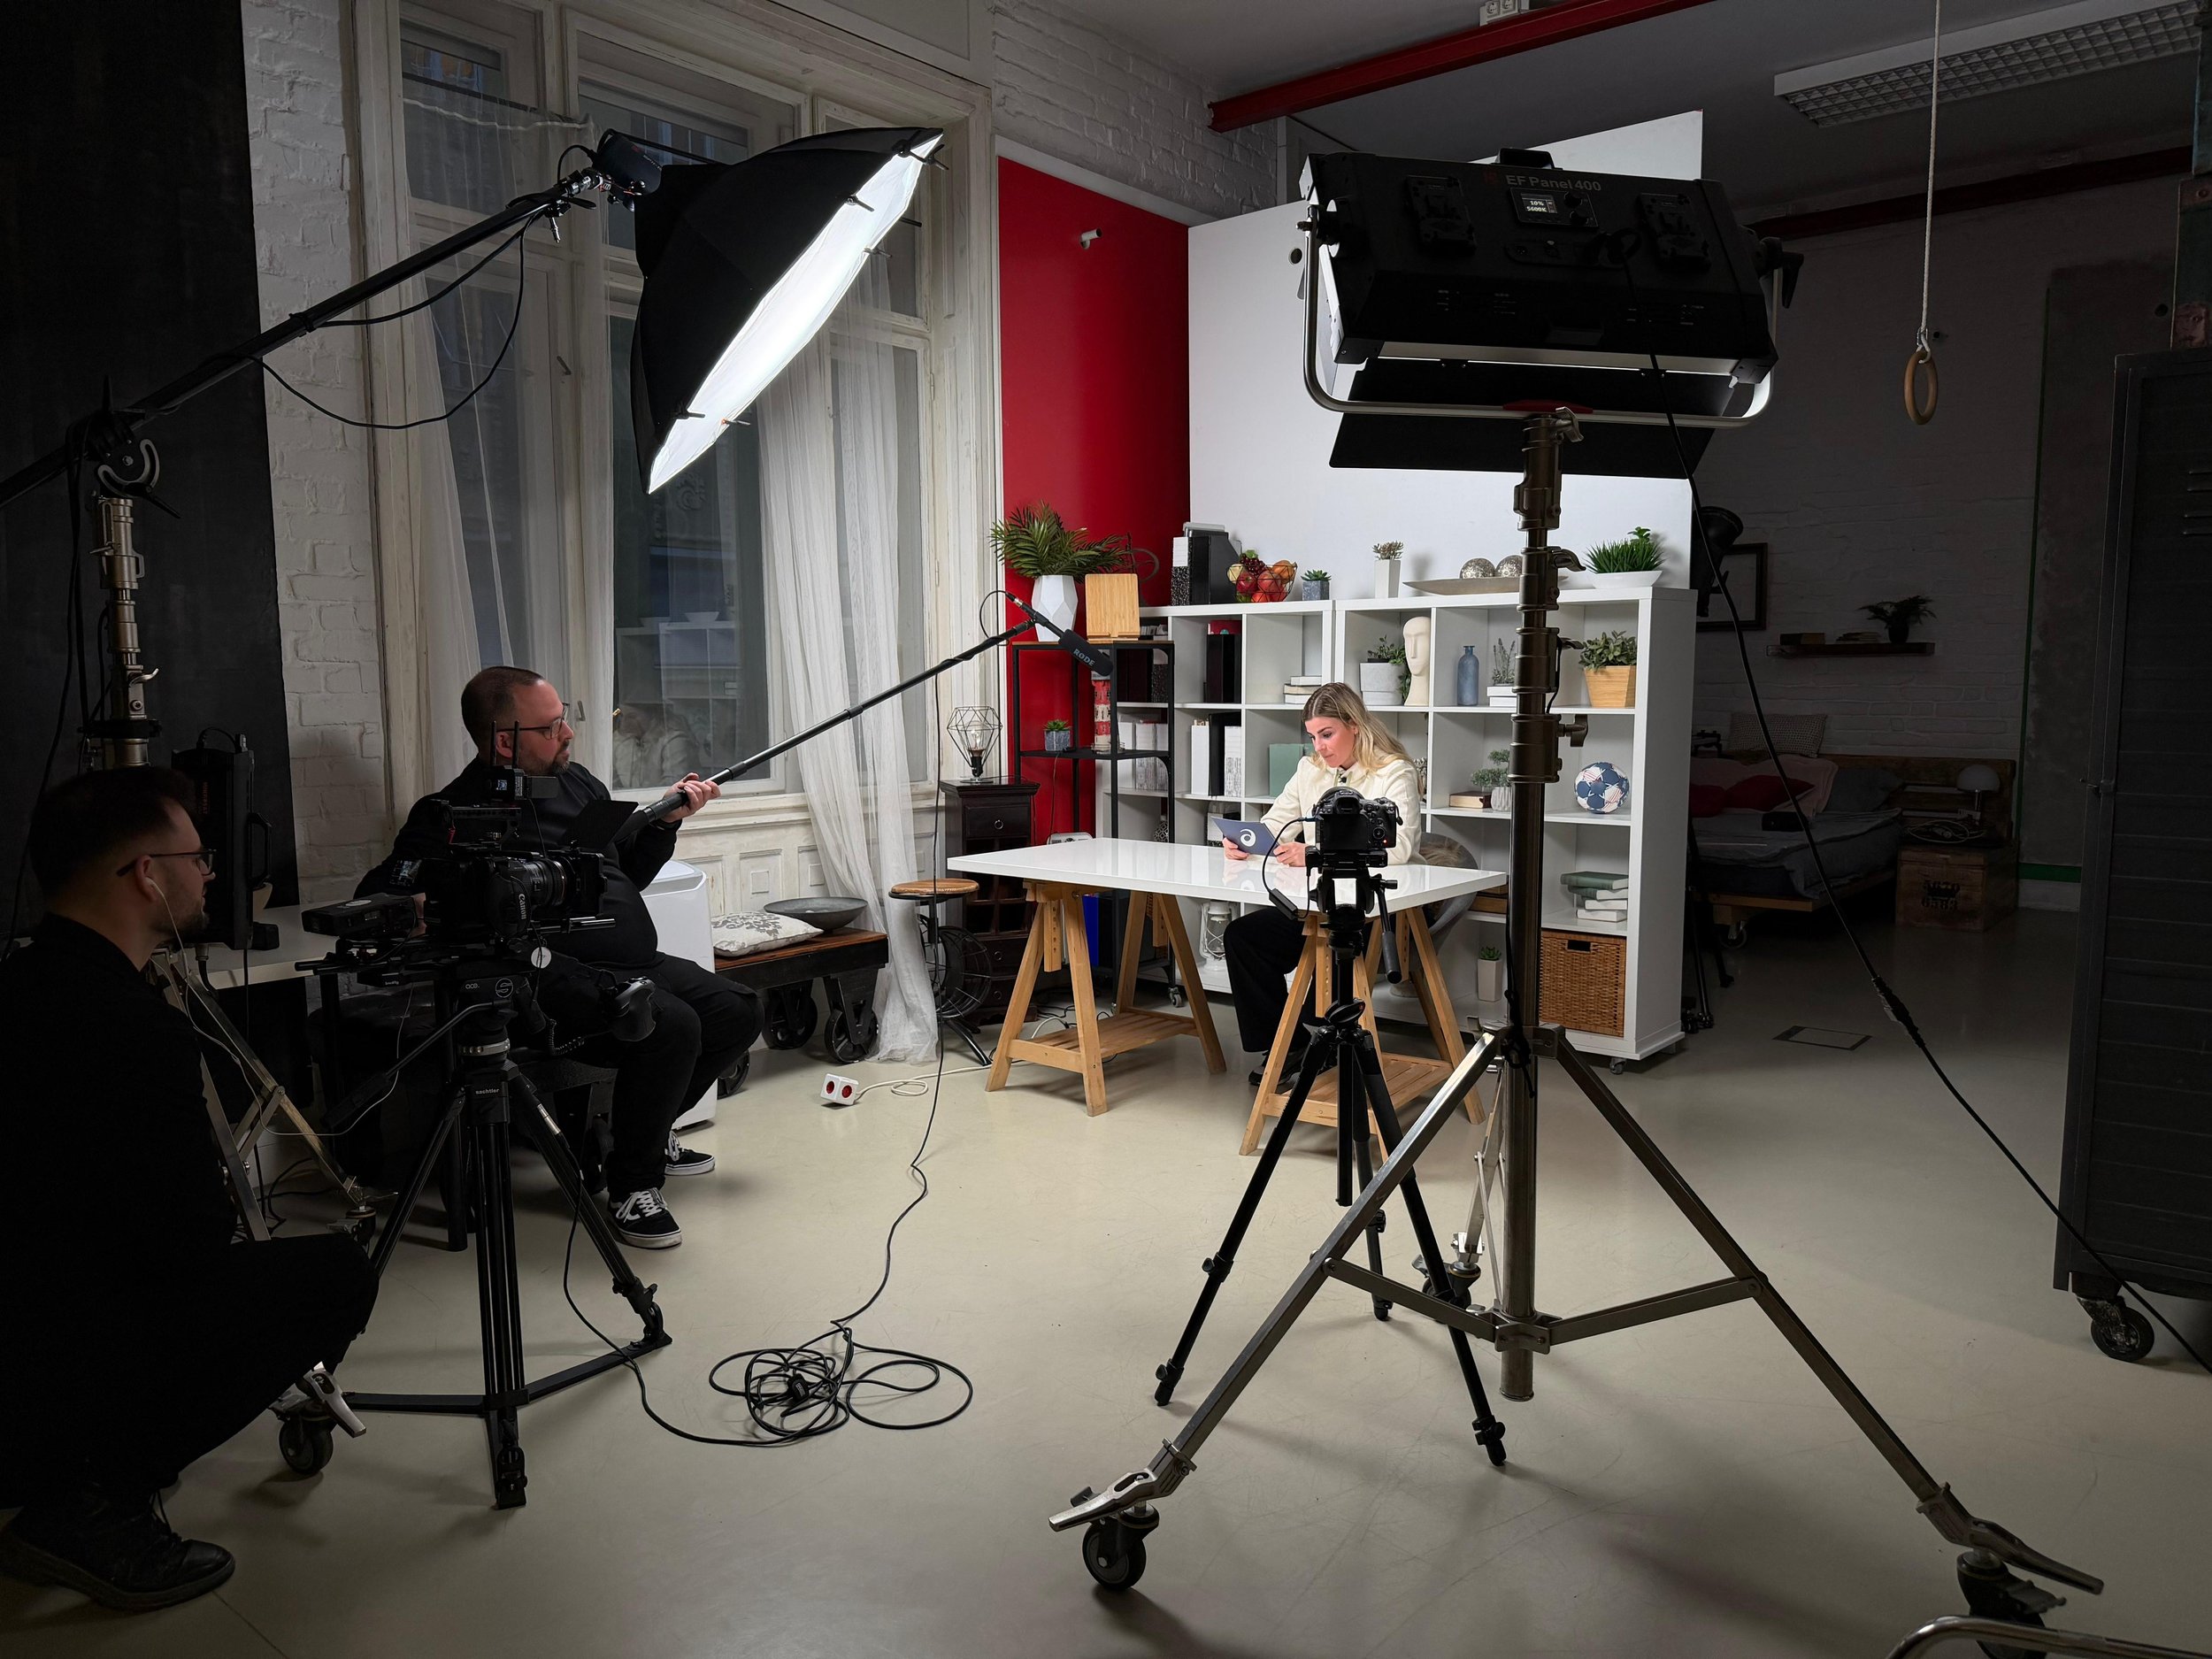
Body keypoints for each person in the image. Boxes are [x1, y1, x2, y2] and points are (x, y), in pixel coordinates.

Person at [0, 768, 379, 1613]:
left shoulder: (24, 986)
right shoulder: (130, 1031)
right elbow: (186, 1250)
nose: (209, 873)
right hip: (52, 1349)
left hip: (26, 1317)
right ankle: (94, 1505)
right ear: (145, 874)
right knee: (333, 1275)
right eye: (196, 857)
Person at [357, 666, 760, 1249]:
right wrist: (413, 901)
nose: (568, 734)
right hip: (547, 981)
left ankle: (650, 1132)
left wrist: (664, 825)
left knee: (738, 1010)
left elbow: (623, 873)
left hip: (634, 962)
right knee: (675, 1025)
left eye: (564, 718)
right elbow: (383, 889)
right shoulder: (450, 812)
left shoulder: (582, 785)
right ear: (504, 742)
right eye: (551, 728)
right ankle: (632, 1185)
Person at [1221, 681, 1422, 1086]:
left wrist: (1311, 851)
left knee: (1327, 967)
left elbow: (1398, 847)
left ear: (1355, 725)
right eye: (1312, 736)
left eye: (1327, 734)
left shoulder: (1393, 772)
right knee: (1243, 938)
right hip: (1316, 901)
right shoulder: (1310, 769)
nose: (1320, 747)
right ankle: (1288, 1046)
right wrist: (1247, 840)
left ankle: (1329, 1051)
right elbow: (1277, 821)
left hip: (1370, 907)